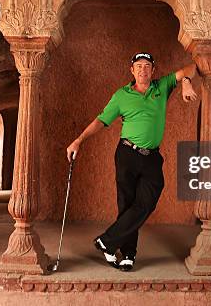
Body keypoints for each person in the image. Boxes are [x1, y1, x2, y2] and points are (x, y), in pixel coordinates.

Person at [66, 52, 198, 272]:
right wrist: (78, 141)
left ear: (153, 70)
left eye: (147, 66)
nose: (143, 70)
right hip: (127, 154)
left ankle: (107, 242)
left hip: (151, 156)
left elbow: (192, 67)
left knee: (147, 201)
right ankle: (128, 254)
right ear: (132, 71)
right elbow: (101, 120)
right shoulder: (121, 95)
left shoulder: (161, 87)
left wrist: (185, 82)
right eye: (139, 66)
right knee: (127, 204)